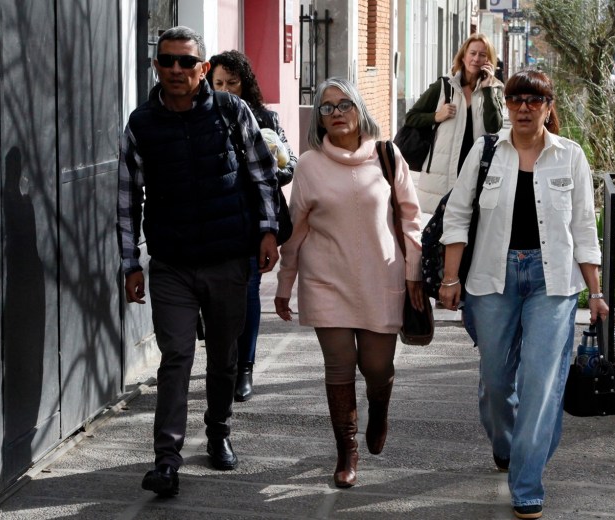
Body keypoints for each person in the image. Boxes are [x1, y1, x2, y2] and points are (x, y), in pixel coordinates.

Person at [117, 26, 281, 498]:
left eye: (186, 62)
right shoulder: (141, 124)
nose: (176, 69)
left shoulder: (231, 111)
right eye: (167, 61)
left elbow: (263, 174)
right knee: (176, 357)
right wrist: (130, 263)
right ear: (156, 66)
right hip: (172, 263)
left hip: (227, 259)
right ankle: (166, 461)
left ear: (203, 68)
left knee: (224, 355)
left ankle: (218, 430)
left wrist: (268, 231)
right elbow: (127, 198)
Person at [438, 69, 609, 519]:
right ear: (507, 105)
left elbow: (584, 227)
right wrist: (450, 279)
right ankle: (507, 444)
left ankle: (527, 482)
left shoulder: (570, 155)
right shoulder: (486, 151)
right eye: (517, 100)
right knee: (496, 381)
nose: (525, 108)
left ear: (549, 107)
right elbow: (457, 215)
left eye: (535, 100)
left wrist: (595, 292)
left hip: (552, 282)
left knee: (541, 381)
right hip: (492, 279)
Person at [273, 78, 425, 488]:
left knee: (377, 366)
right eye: (327, 108)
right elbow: (295, 231)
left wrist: (414, 272)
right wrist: (285, 285)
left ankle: (379, 409)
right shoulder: (309, 165)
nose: (337, 112)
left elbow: (411, 218)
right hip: (326, 281)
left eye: (345, 104)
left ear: (359, 110)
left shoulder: (387, 155)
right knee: (339, 366)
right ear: (319, 120)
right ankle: (347, 451)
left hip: (381, 277)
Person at [208, 50, 298, 402]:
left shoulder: (265, 118)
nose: (226, 89)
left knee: (248, 291)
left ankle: (244, 366)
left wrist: (265, 166)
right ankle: (222, 363)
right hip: (215, 222)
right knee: (214, 297)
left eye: (232, 83)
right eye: (218, 83)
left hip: (254, 221)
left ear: (245, 83)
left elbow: (289, 166)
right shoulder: (202, 117)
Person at [403, 32, 505, 214]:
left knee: (471, 224)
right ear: (463, 56)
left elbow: (494, 127)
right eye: (472, 53)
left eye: (482, 55)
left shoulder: (494, 89)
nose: (476, 59)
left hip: (475, 169)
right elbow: (411, 117)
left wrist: (488, 90)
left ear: (489, 61)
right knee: (440, 225)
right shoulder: (444, 86)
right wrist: (436, 116)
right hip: (442, 173)